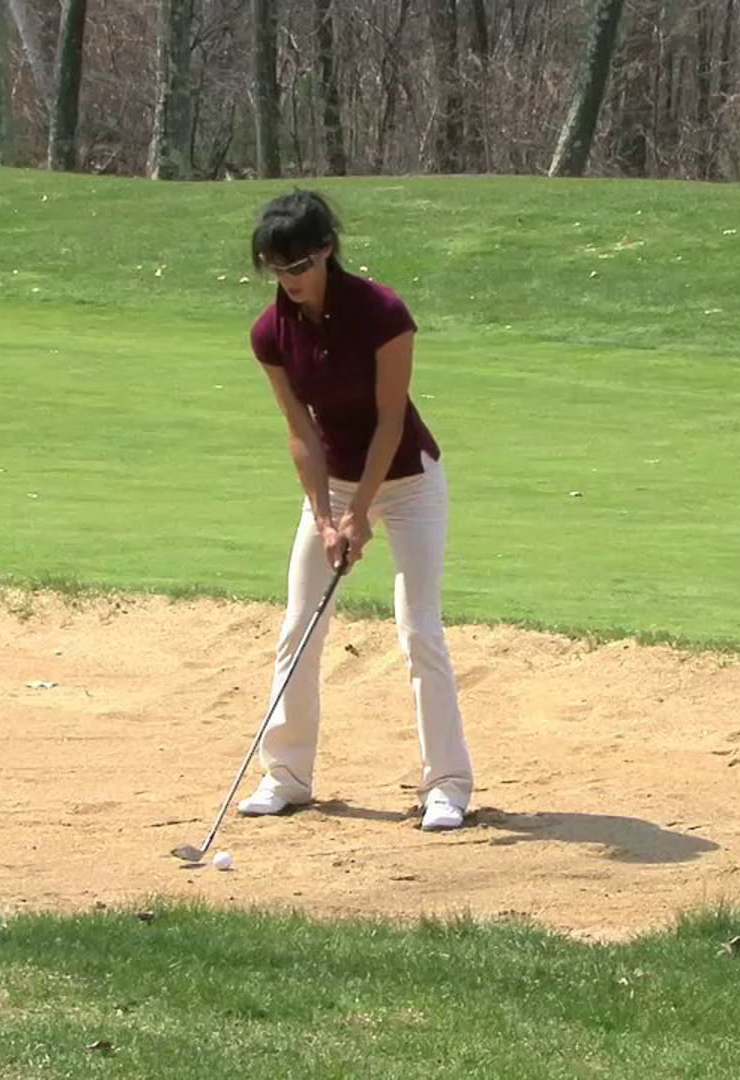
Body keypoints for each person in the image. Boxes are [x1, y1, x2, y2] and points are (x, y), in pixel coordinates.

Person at [240, 190, 473, 832]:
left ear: (326, 253)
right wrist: (325, 515)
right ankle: (286, 776)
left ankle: (447, 786)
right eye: (275, 270)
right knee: (298, 628)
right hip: (334, 486)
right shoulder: (270, 333)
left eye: (298, 268)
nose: (288, 283)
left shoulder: (382, 313)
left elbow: (390, 419)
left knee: (418, 630)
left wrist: (361, 511)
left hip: (409, 481)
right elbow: (300, 432)